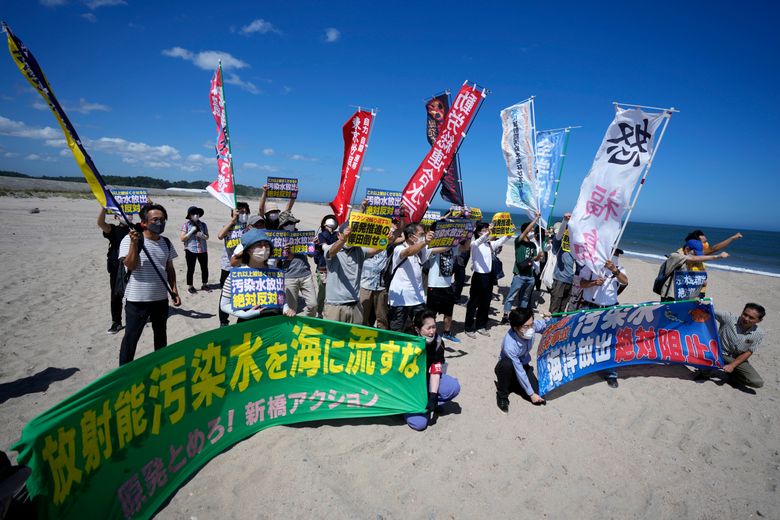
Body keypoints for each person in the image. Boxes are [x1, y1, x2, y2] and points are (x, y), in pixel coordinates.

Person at [118, 203, 181, 365]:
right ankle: (124, 371)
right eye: (155, 219)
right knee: (131, 338)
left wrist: (174, 291)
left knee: (161, 336)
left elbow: (169, 268)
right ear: (144, 223)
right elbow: (130, 265)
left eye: (162, 219)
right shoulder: (130, 239)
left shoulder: (166, 242)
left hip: (160, 299)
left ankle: (160, 365)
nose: (159, 223)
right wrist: (134, 244)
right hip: (137, 300)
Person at [578, 249, 628, 388]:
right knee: (586, 338)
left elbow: (625, 281)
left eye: (617, 255)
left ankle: (610, 373)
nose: (616, 257)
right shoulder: (591, 266)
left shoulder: (620, 269)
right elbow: (581, 283)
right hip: (590, 307)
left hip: (609, 309)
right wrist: (594, 283)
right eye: (613, 254)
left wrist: (615, 270)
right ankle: (585, 365)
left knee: (609, 341)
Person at [219, 228, 294, 321]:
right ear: (248, 250)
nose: (263, 248)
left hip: (273, 322)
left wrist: (286, 309)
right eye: (258, 245)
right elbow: (224, 304)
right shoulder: (236, 275)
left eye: (266, 245)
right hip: (248, 324)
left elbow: (280, 298)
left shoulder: (276, 272)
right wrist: (243, 314)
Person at [405, 309, 461, 431]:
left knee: (453, 387)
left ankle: (432, 402)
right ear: (417, 329)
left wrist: (433, 397)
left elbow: (436, 371)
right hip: (408, 384)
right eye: (428, 328)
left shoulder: (438, 343)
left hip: (426, 379)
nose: (432, 332)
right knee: (419, 424)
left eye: (434, 327)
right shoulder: (406, 340)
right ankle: (405, 407)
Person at [693, 303, 766, 389]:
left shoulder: (759, 333)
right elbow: (709, 310)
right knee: (705, 356)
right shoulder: (729, 318)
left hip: (736, 358)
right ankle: (704, 373)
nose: (746, 318)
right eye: (745, 314)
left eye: (751, 318)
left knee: (757, 382)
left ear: (759, 320)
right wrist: (699, 304)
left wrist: (732, 365)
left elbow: (749, 352)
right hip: (718, 353)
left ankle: (733, 377)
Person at [322, 223, 382, 323]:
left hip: (355, 304)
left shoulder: (359, 250)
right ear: (338, 235)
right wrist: (343, 240)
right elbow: (331, 252)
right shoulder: (332, 248)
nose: (350, 237)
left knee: (354, 337)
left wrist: (387, 240)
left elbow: (376, 249)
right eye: (347, 234)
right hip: (335, 305)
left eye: (352, 234)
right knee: (332, 337)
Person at [494, 308, 547, 413]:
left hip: (524, 364)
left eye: (531, 324)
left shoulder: (531, 325)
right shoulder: (509, 345)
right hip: (509, 366)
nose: (531, 329)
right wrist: (531, 394)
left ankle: (514, 384)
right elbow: (519, 370)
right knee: (507, 365)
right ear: (515, 327)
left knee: (539, 393)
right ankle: (502, 395)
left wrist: (549, 319)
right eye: (526, 327)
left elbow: (545, 325)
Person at [464, 222, 511, 338]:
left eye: (487, 229)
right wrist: (488, 231)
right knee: (473, 303)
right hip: (478, 276)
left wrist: (509, 233)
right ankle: (469, 327)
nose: (486, 231)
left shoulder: (489, 244)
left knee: (485, 303)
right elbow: (481, 239)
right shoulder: (475, 244)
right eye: (484, 230)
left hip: (489, 277)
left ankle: (481, 326)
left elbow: (500, 241)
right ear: (479, 232)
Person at [388, 223, 435, 332]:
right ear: (411, 236)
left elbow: (440, 249)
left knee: (422, 326)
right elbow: (408, 252)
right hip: (400, 299)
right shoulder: (399, 249)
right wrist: (424, 242)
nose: (423, 236)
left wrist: (453, 240)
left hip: (417, 298)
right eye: (421, 234)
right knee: (397, 330)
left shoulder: (421, 250)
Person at [425, 222, 463, 342]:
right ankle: (431, 334)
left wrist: (464, 237)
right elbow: (442, 249)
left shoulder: (452, 246)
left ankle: (447, 332)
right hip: (434, 285)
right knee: (431, 313)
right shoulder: (430, 246)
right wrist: (453, 240)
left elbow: (465, 248)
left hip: (447, 285)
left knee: (449, 312)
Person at [501, 214, 542, 323]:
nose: (532, 231)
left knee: (525, 298)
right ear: (526, 231)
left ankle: (520, 316)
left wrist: (538, 257)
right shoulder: (518, 242)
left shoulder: (533, 245)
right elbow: (526, 230)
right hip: (519, 275)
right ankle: (506, 315)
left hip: (530, 276)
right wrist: (536, 219)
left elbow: (534, 260)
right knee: (511, 296)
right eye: (531, 230)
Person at [97, 207, 131, 334]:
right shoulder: (114, 229)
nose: (128, 215)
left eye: (130, 213)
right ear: (117, 217)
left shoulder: (135, 228)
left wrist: (148, 206)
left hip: (135, 265)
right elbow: (101, 223)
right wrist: (103, 208)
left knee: (134, 292)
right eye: (124, 213)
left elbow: (149, 223)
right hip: (117, 267)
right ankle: (116, 322)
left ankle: (141, 315)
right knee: (116, 293)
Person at [660, 239, 729, 301]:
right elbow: (692, 258)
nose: (697, 256)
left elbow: (686, 279)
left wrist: (700, 283)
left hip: (681, 295)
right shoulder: (675, 256)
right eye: (695, 254)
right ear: (687, 250)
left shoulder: (690, 263)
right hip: (669, 295)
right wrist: (717, 256)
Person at [277, 211, 317, 317]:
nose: (290, 225)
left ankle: (307, 323)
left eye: (292, 222)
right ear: (281, 226)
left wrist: (312, 245)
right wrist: (284, 251)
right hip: (289, 277)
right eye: (286, 223)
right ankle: (292, 330)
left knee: (313, 305)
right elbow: (275, 259)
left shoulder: (303, 236)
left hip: (306, 274)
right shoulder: (278, 239)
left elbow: (311, 255)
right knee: (291, 309)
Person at [216, 202, 250, 327]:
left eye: (246, 212)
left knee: (242, 294)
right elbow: (220, 235)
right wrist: (233, 220)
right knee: (225, 294)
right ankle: (223, 321)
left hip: (244, 267)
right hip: (228, 267)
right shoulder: (229, 226)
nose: (244, 214)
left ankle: (241, 319)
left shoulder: (248, 227)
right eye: (241, 212)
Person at [683, 229, 742, 297]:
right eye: (703, 242)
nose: (705, 245)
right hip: (691, 290)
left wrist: (732, 238)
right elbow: (690, 259)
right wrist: (717, 257)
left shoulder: (698, 251)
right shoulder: (686, 253)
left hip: (701, 291)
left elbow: (714, 249)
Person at [549, 213, 576, 314]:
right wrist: (565, 221)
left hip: (570, 281)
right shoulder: (558, 245)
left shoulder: (573, 247)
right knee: (554, 310)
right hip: (560, 280)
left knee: (562, 310)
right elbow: (559, 235)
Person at [314, 214, 339, 318]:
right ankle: (319, 312)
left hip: (333, 268)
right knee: (322, 293)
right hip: (323, 269)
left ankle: (327, 312)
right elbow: (323, 248)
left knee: (331, 292)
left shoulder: (336, 235)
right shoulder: (321, 235)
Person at [180, 206, 209, 294]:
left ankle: (204, 284)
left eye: (197, 213)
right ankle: (190, 286)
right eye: (193, 214)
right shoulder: (186, 225)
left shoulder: (203, 225)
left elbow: (207, 237)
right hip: (190, 250)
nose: (196, 215)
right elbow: (182, 238)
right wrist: (190, 232)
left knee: (204, 268)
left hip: (202, 249)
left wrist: (202, 235)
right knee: (191, 268)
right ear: (189, 215)